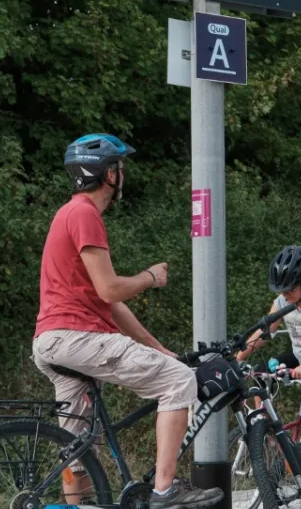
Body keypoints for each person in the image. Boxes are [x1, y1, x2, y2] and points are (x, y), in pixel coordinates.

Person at [31, 134, 222, 509]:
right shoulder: (84, 214)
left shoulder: (68, 213)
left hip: (52, 341)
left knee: (79, 448)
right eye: (119, 167)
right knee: (179, 382)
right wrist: (150, 277)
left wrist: (158, 348)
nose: (123, 174)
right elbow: (110, 290)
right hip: (77, 338)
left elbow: (109, 306)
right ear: (107, 175)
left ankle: (74, 507)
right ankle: (165, 491)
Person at [235, 244, 301, 440]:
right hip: (300, 358)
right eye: (281, 290)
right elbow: (266, 331)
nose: (285, 295)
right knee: (260, 373)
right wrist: (239, 358)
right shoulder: (281, 301)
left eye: (290, 290)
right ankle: (265, 426)